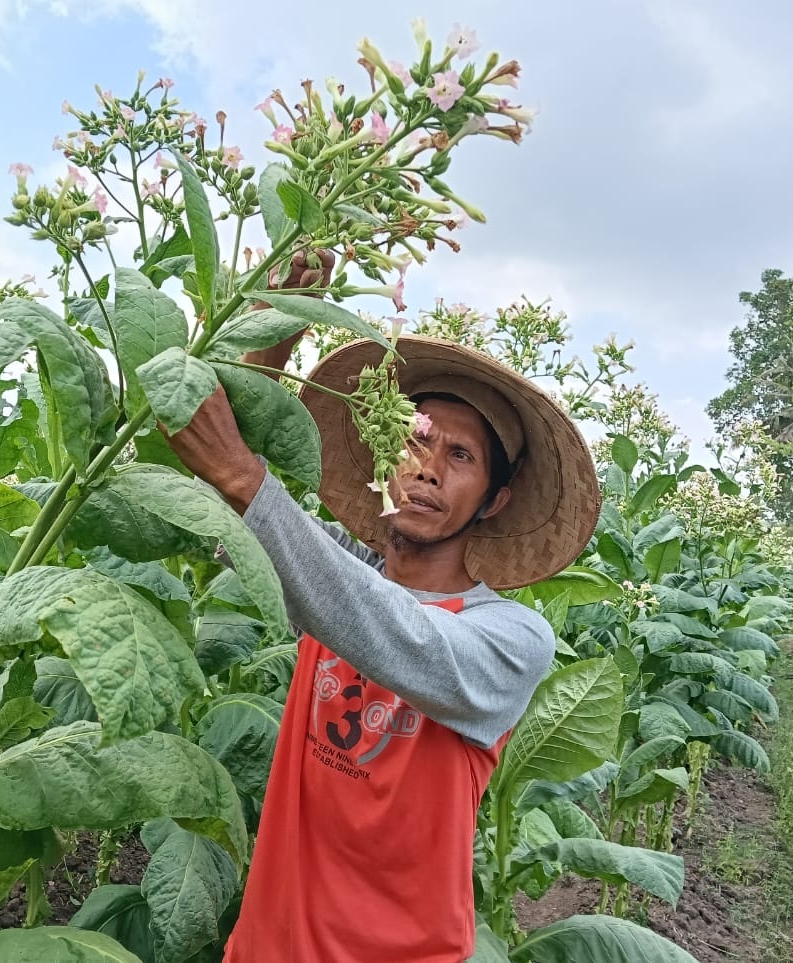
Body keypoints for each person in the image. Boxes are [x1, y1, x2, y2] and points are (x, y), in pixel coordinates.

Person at [164, 257, 600, 962]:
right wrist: (267, 345)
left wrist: (249, 476)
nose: (427, 466)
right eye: (416, 438)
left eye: (461, 455)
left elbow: (395, 632)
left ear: (496, 499)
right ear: (381, 448)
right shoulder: (336, 568)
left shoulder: (513, 638)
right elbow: (227, 527)